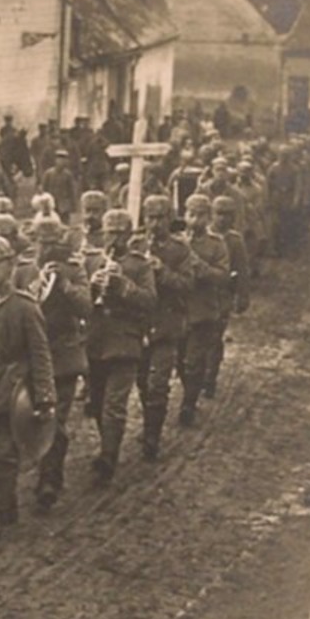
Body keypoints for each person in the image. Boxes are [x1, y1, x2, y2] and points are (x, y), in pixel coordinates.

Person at [0, 236, 54, 545]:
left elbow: (41, 353)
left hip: (14, 387)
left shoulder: (24, 306)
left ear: (10, 264)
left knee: (7, 453)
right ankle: (8, 506)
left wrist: (45, 395)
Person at [84, 211, 156, 485]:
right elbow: (80, 301)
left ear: (129, 235)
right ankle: (108, 444)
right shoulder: (91, 261)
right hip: (96, 341)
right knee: (100, 402)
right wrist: (92, 287)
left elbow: (150, 301)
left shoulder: (140, 265)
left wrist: (124, 287)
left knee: (115, 404)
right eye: (109, 232)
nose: (113, 239)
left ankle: (108, 457)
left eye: (119, 233)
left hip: (125, 341)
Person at [30, 214, 92, 510]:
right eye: (41, 242)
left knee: (55, 418)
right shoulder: (23, 270)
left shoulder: (74, 270)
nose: (45, 248)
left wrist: (65, 284)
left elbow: (86, 307)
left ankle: (49, 480)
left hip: (63, 354)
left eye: (51, 242)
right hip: (30, 357)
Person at [137, 194, 196, 461]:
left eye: (161, 218)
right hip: (139, 326)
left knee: (158, 382)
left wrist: (161, 271)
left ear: (170, 219)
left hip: (167, 324)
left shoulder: (180, 250)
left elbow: (187, 285)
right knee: (142, 381)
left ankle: (152, 437)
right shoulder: (136, 244)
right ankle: (150, 420)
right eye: (150, 217)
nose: (155, 223)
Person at [177, 194, 233, 427]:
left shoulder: (217, 244)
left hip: (202, 311)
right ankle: (190, 388)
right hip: (177, 311)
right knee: (179, 360)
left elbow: (221, 276)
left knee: (194, 361)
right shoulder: (177, 241)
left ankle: (188, 403)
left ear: (208, 217)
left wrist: (197, 265)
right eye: (191, 214)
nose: (195, 220)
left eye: (200, 215)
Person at [205, 195, 251, 399]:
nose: (222, 219)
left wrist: (242, 296)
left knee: (214, 338)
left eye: (228, 215)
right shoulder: (202, 237)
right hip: (200, 295)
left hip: (222, 295)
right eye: (219, 214)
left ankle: (209, 379)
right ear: (211, 215)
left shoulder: (235, 241)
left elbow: (242, 269)